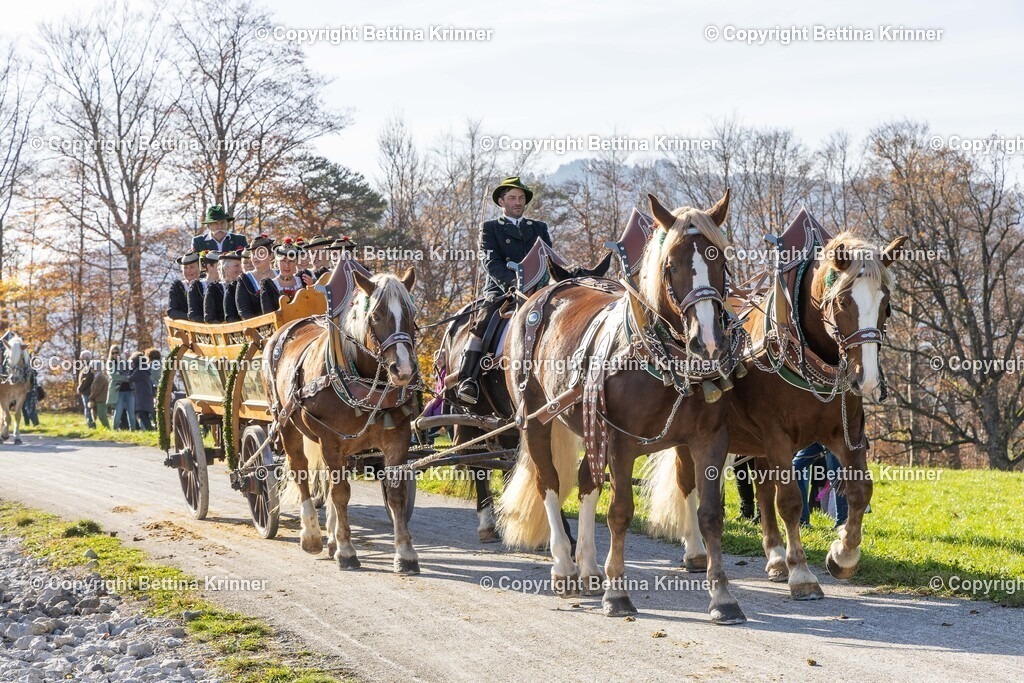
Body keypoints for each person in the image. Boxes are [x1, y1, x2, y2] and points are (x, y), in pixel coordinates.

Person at [455, 176, 552, 404]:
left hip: (538, 289)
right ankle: (468, 379)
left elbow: (548, 258)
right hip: (501, 291)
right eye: (512, 198)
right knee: (483, 323)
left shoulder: (539, 228)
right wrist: (514, 284)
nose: (518, 202)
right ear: (501, 201)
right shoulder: (489, 229)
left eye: (521, 198)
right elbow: (491, 263)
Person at [261, 239, 310, 314]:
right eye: (283, 261)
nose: (287, 266)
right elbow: (269, 314)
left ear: (296, 262)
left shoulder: (304, 280)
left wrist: (311, 288)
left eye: (291, 261)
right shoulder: (269, 286)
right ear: (277, 262)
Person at [236, 234, 276, 319]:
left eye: (261, 253)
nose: (256, 257)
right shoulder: (245, 279)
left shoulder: (280, 274)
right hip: (259, 328)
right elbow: (244, 310)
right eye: (253, 254)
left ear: (271, 255)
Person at [109, 346, 137, 431]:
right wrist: (126, 378)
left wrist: (126, 376)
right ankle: (115, 429)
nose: (115, 354)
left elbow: (132, 373)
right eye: (113, 353)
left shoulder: (125, 362)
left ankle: (133, 430)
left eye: (117, 352)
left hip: (129, 390)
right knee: (118, 411)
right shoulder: (110, 363)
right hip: (118, 391)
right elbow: (113, 376)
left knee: (131, 412)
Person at [188, 251, 220, 322]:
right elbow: (193, 314)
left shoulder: (225, 285)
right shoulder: (197, 286)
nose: (222, 268)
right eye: (219, 265)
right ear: (209, 266)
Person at [168, 252, 200, 320]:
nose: (188, 271)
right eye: (185, 268)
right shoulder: (177, 287)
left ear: (199, 268)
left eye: (192, 267)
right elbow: (172, 312)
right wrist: (191, 317)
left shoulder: (206, 285)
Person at [130, 351, 155, 431]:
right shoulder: (145, 369)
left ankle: (149, 429)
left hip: (142, 395)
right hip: (147, 394)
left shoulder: (139, 370)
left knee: (142, 414)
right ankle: (149, 429)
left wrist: (130, 370)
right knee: (145, 414)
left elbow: (131, 378)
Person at [218, 248, 245, 322]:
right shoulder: (216, 288)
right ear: (226, 268)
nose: (240, 269)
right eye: (236, 265)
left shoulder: (245, 285)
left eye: (241, 265)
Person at [76, 350, 96, 428]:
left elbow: (87, 379)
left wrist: (80, 388)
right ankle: (91, 423)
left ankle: (90, 424)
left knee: (88, 409)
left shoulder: (88, 367)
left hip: (87, 391)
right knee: (89, 408)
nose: (81, 359)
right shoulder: (87, 366)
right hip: (88, 391)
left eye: (82, 358)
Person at [89, 363, 110, 429]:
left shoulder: (100, 377)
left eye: (92, 367)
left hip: (101, 399)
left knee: (102, 415)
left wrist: (90, 397)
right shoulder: (96, 376)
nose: (91, 369)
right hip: (97, 399)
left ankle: (107, 429)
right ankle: (100, 428)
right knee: (95, 416)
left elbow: (97, 389)